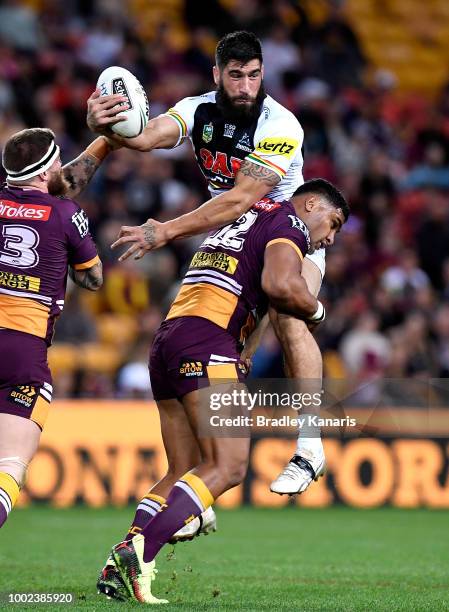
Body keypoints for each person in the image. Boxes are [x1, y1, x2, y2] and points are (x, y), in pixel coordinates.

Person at [87, 30, 327, 523]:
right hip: (235, 235)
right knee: (221, 349)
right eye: (235, 75)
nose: (245, 86)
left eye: (254, 75)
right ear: (216, 74)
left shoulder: (280, 122)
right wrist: (103, 123)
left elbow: (241, 198)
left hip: (285, 230)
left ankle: (310, 447)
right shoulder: (197, 110)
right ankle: (202, 479)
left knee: (288, 309)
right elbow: (145, 136)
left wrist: (166, 231)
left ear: (264, 74)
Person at [100, 179, 349, 603]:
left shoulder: (246, 213)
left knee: (183, 469)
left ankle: (116, 568)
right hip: (208, 340)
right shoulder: (289, 223)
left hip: (170, 338)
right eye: (334, 223)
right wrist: (319, 310)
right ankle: (136, 553)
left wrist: (246, 346)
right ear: (311, 204)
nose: (330, 237)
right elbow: (280, 287)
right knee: (230, 466)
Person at [0, 128, 103, 531]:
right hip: (22, 351)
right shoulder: (64, 214)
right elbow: (93, 278)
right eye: (59, 160)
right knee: (9, 464)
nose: (63, 166)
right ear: (44, 174)